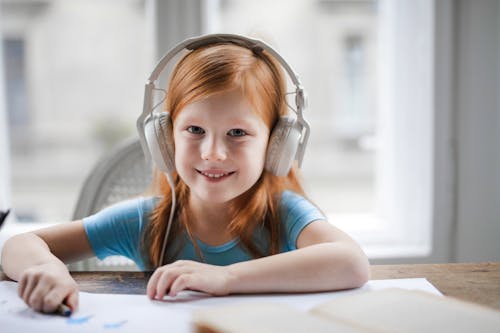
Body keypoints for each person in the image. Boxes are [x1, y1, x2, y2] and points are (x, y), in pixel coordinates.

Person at [0, 35, 369, 315]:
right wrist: (47, 268)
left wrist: (226, 279)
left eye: (237, 133)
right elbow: (18, 245)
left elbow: (352, 263)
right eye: (194, 130)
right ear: (164, 138)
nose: (213, 153)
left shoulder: (284, 214)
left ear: (277, 144)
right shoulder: (146, 220)